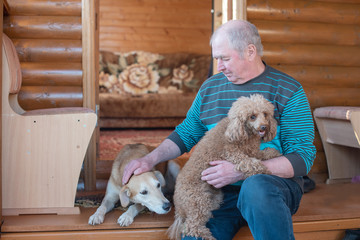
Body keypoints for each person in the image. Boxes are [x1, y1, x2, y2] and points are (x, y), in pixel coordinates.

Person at [122, 20, 316, 240]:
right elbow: (186, 133)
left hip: (272, 191)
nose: (219, 66)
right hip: (217, 193)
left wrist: (241, 171)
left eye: (225, 58)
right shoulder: (210, 88)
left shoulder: (288, 90)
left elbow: (303, 158)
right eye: (217, 59)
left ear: (250, 51)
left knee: (255, 186)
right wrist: (150, 159)